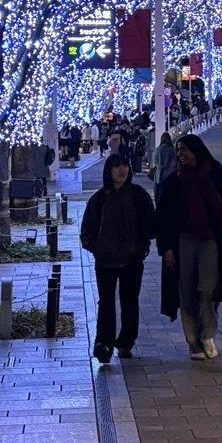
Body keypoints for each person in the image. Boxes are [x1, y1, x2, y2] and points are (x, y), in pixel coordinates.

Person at [156, 134, 222, 359]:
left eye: (184, 149)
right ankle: (193, 342)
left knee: (208, 287)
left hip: (211, 238)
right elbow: (163, 216)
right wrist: (166, 247)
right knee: (187, 290)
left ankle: (207, 334)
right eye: (178, 150)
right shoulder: (174, 181)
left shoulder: (213, 173)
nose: (180, 154)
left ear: (196, 150)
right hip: (184, 240)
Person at [81, 155, 156, 364]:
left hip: (132, 259)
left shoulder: (138, 195)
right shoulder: (99, 198)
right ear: (109, 170)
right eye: (117, 166)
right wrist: (97, 248)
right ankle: (103, 344)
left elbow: (150, 225)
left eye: (125, 166)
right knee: (106, 302)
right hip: (105, 261)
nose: (122, 170)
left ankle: (125, 342)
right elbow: (87, 230)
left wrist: (141, 247)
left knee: (129, 301)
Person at [152, 131, 176, 200]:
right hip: (170, 174)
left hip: (158, 175)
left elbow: (154, 162)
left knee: (158, 195)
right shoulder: (172, 150)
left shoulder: (157, 149)